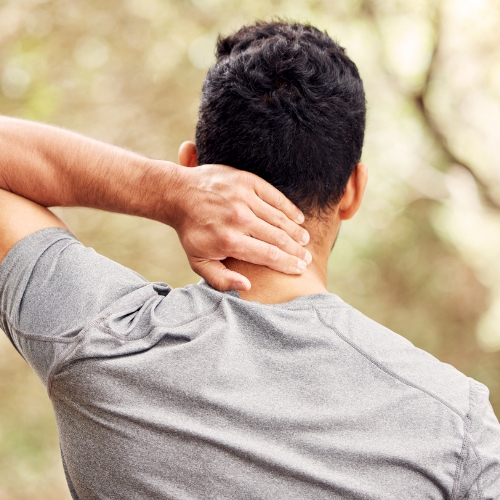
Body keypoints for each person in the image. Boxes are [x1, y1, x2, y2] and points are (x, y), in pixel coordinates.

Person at [0, 20, 499, 499]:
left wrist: (162, 194)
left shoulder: (101, 338)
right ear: (352, 191)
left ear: (191, 165)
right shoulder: (453, 423)